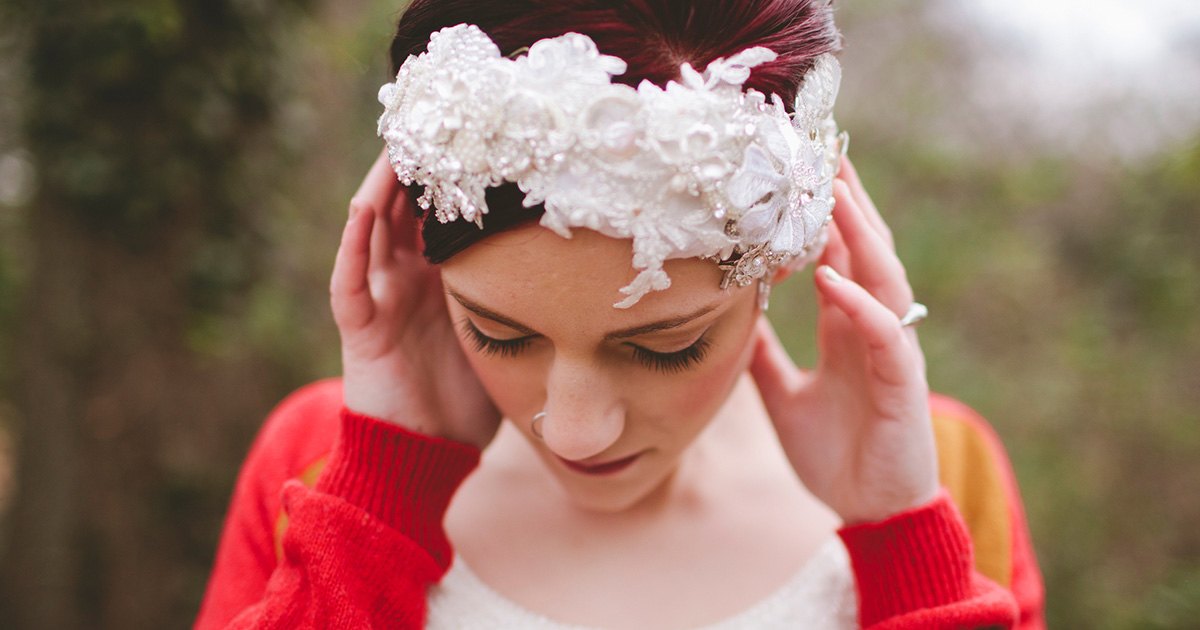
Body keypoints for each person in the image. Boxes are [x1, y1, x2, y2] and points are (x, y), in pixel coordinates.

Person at [194, 1, 1045, 628]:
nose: (574, 431)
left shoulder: (943, 477)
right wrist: (377, 501)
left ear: (785, 258)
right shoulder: (316, 469)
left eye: (664, 345)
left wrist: (902, 544)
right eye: (498, 332)